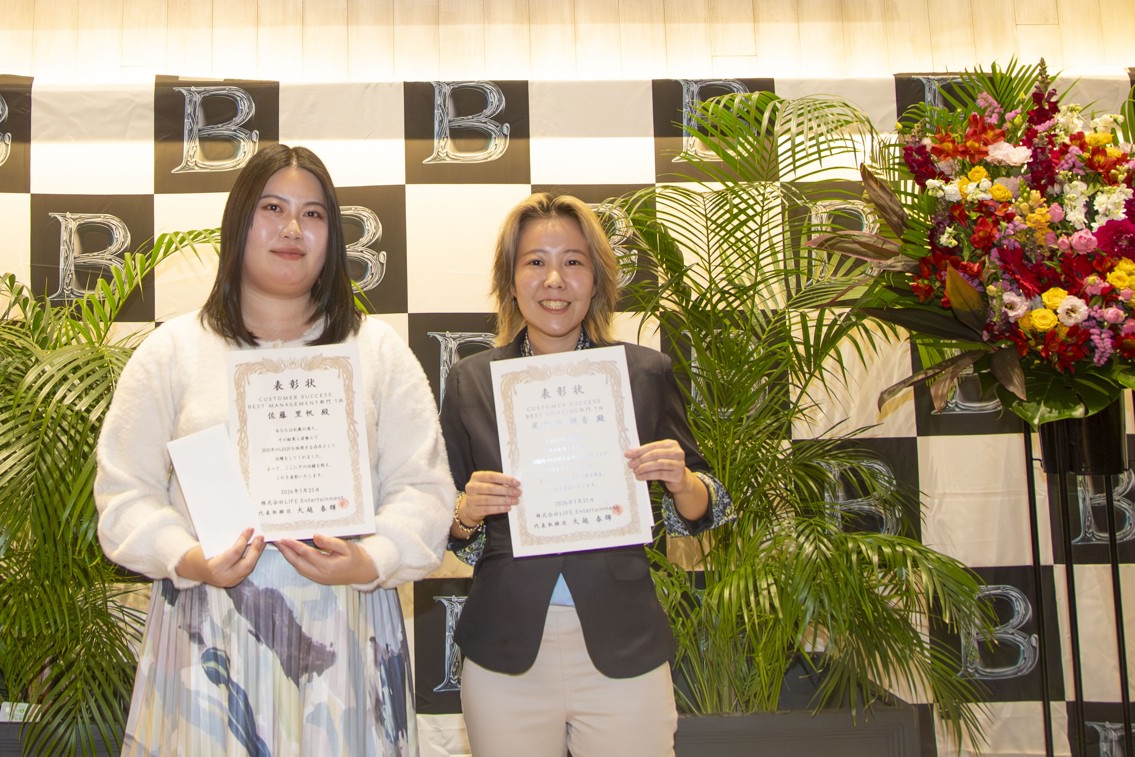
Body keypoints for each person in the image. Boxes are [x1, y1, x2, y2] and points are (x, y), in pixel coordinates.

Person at [94, 144, 451, 755]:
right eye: (273, 208)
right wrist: (188, 558)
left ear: (333, 237)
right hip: (207, 638)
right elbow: (125, 495)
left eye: (313, 214)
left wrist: (371, 559)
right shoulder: (172, 351)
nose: (293, 229)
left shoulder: (376, 350)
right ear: (239, 222)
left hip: (346, 636)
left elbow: (424, 490)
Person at [440, 193, 732, 757]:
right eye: (535, 261)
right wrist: (465, 512)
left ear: (596, 278)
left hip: (624, 643)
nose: (554, 279)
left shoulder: (644, 372)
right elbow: (449, 524)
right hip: (505, 647)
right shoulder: (471, 380)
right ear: (510, 279)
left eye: (573, 261)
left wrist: (682, 482)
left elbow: (706, 505)